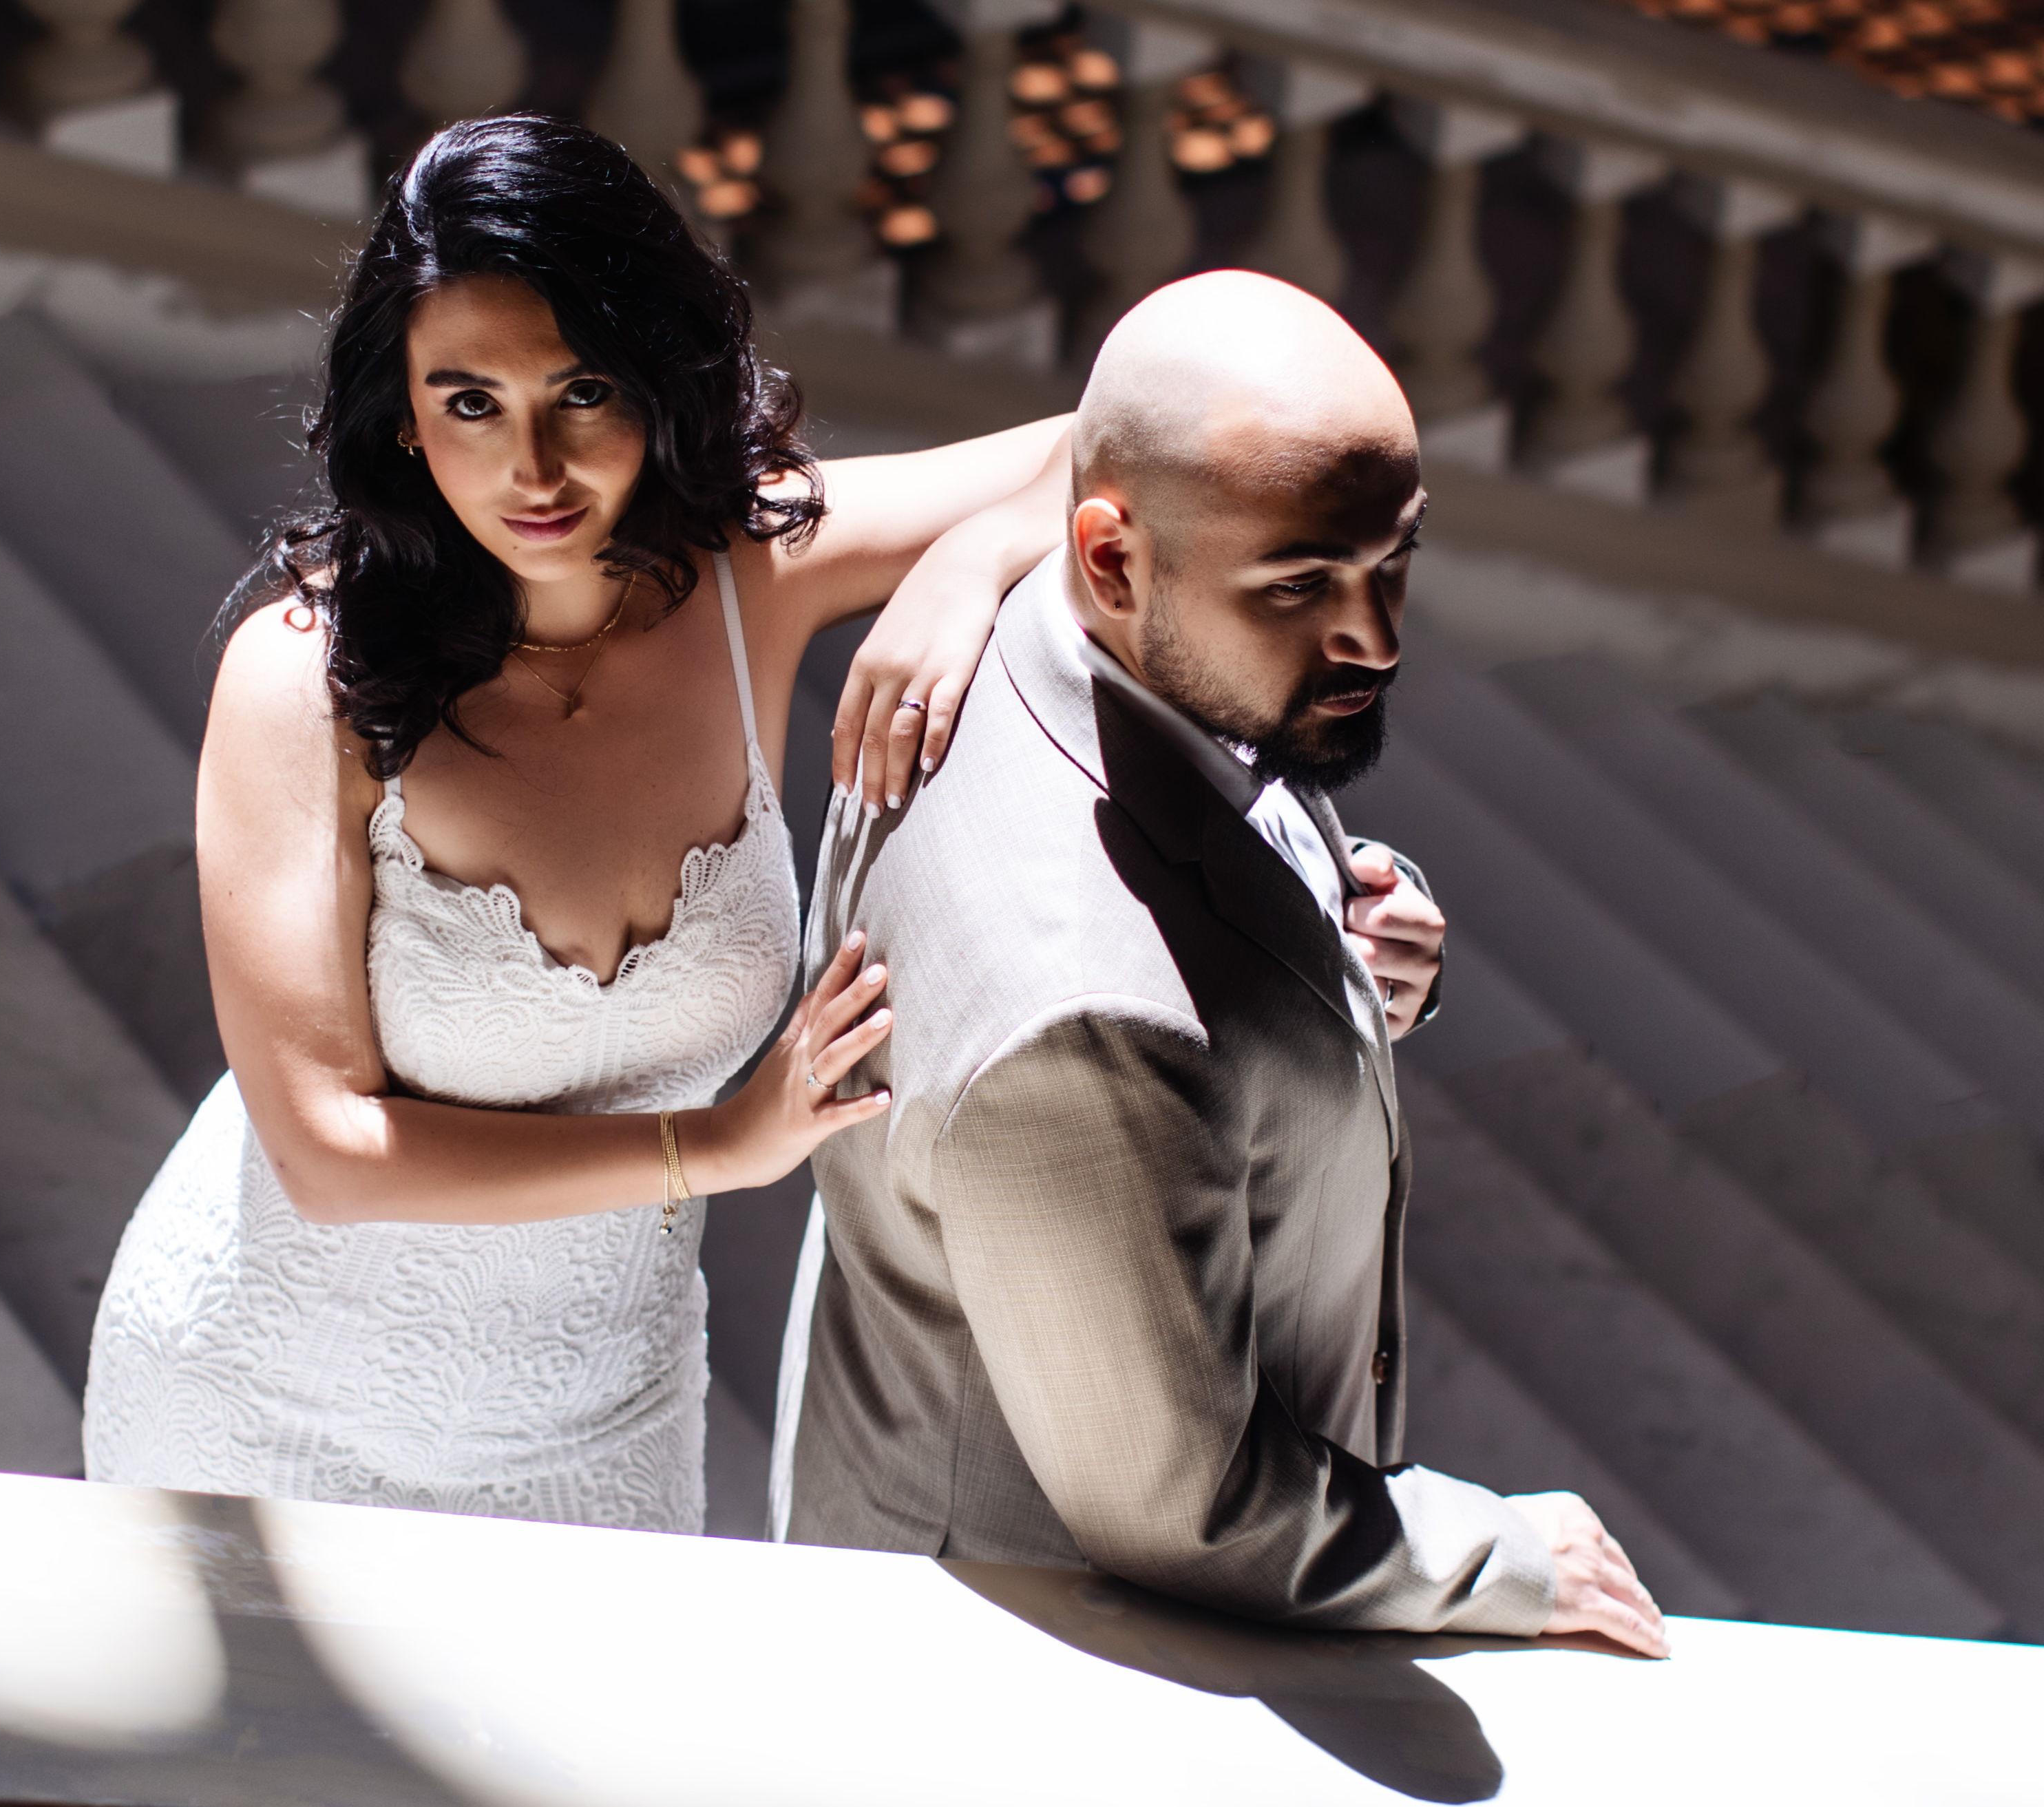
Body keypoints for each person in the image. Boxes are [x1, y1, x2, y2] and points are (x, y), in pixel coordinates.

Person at [84, 115, 1066, 1531]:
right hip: (260, 1403)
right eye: (469, 401)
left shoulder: (754, 571)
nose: (533, 468)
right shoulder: (304, 676)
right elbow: (327, 1153)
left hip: (601, 1419)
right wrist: (714, 1148)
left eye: (582, 391)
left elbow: (1153, 434)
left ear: (658, 380)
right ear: (402, 413)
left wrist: (974, 561)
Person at [774, 271, 1666, 1656]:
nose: (1375, 636)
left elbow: (1210, 830)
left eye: (1393, 559)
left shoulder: (1059, 623)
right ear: (1110, 556)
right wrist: (1512, 1560)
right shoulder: (1078, 1015)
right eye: (1302, 586)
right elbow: (1188, 1506)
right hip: (1044, 1656)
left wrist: (1345, 942)